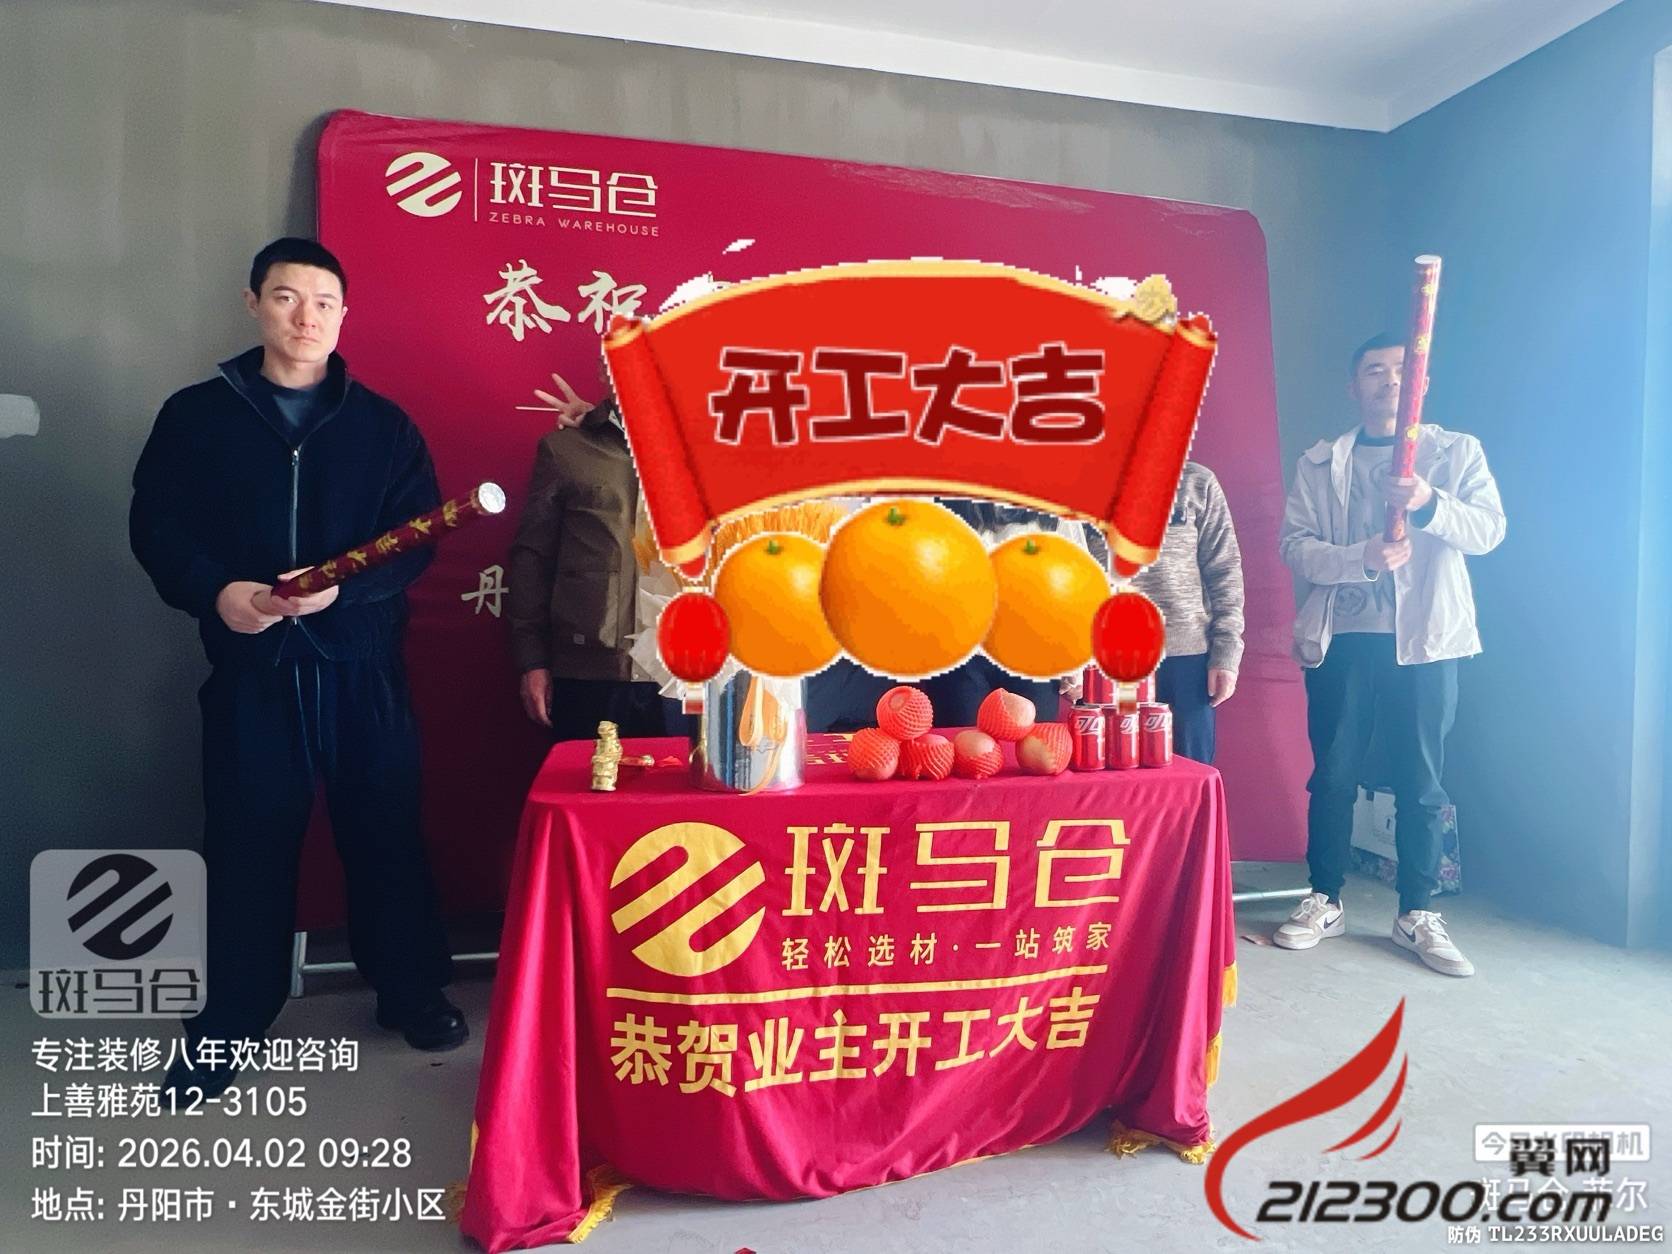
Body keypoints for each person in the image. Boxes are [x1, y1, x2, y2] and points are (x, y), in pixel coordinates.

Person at [130, 238, 465, 1101]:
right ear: (254, 304)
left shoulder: (383, 426)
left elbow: (416, 539)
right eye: (286, 297)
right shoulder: (196, 417)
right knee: (246, 838)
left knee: (386, 827)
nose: (305, 316)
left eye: (323, 301)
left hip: (362, 663)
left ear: (343, 315)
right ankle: (230, 1017)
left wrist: (345, 593)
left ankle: (411, 991)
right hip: (253, 663)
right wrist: (217, 592)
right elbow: (156, 526)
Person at [1273, 331, 1505, 977]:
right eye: (1374, 370)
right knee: (1333, 773)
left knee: (1420, 780)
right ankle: (1324, 897)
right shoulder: (1321, 462)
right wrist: (1361, 558)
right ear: (1354, 387)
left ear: (1422, 382)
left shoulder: (1456, 454)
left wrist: (1428, 503)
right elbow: (1295, 546)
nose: (1389, 381)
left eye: (1402, 370)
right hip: (1344, 635)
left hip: (1425, 640)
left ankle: (1417, 911)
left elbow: (1488, 531)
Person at [506, 357, 691, 741]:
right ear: (604, 370)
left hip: (686, 673)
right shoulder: (565, 450)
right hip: (589, 673)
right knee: (588, 778)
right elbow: (532, 559)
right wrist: (532, 660)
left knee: (682, 781)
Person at [1129, 461, 1244, 762]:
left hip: (1187, 661)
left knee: (1191, 778)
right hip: (1106, 664)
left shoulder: (1196, 481)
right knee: (1114, 782)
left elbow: (1224, 571)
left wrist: (1227, 653)